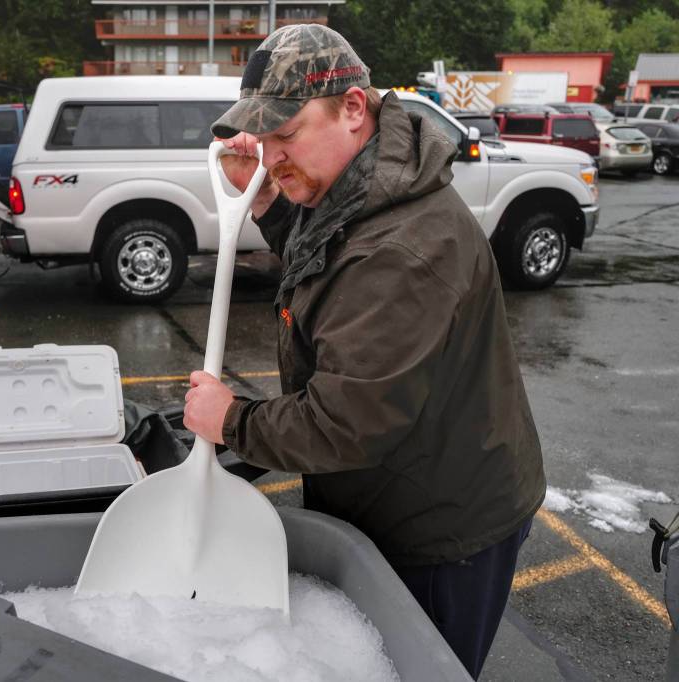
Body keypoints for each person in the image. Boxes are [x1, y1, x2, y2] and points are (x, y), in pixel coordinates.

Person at [182, 24, 545, 679]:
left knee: (419, 668)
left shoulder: (404, 250)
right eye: (260, 137)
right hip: (394, 489)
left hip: (439, 532)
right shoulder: (369, 184)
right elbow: (332, 243)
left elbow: (347, 422)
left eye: (284, 136)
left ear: (353, 109)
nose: (268, 153)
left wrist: (231, 420)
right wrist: (269, 196)